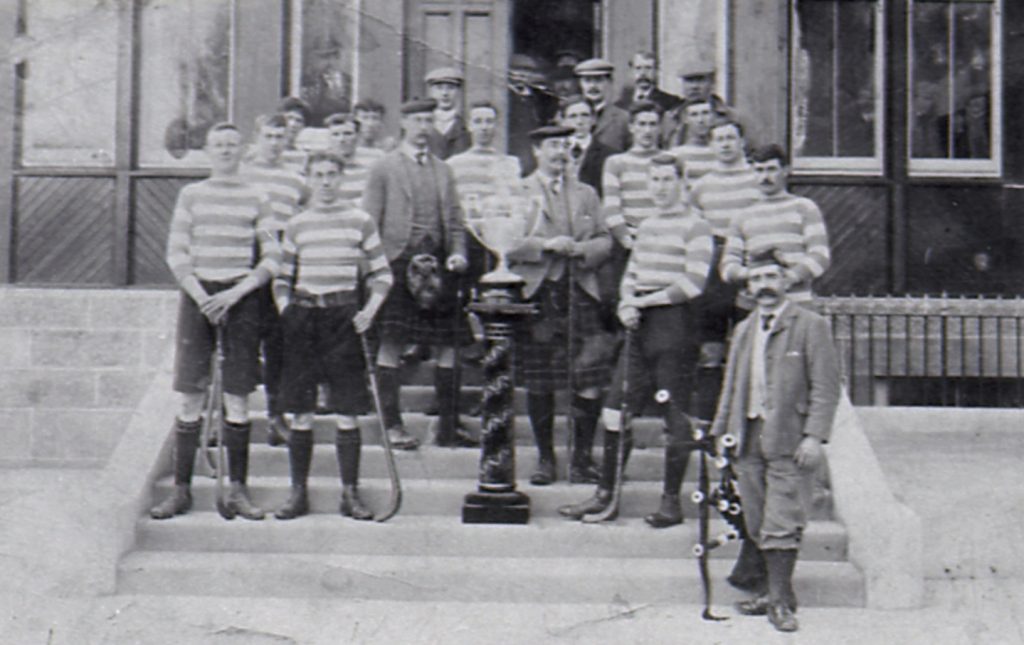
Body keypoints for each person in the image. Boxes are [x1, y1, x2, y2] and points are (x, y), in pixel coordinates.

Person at [559, 153, 712, 522]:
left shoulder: (697, 227)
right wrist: (628, 301)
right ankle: (605, 495)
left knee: (674, 414)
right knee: (614, 409)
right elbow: (632, 273)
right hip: (640, 324)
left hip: (675, 326)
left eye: (667, 180)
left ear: (681, 183)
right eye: (654, 180)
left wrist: (644, 300)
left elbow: (692, 283)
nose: (660, 188)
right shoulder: (646, 224)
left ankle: (671, 501)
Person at [151, 122, 281, 521]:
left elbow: (273, 258)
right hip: (198, 298)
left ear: (242, 150)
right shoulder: (192, 195)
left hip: (240, 298)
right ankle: (182, 491)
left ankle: (238, 490)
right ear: (208, 151)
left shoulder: (258, 196)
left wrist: (234, 294)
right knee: (190, 393)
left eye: (232, 144)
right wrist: (203, 295)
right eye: (218, 145)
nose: (225, 151)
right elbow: (176, 254)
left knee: (238, 394)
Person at [710, 248, 841, 633]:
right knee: (756, 516)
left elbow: (826, 386)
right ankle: (770, 591)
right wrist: (722, 432)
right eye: (755, 280)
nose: (763, 286)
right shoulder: (745, 329)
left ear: (786, 281)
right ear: (748, 287)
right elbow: (731, 386)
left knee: (782, 518)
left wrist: (815, 436)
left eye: (770, 277)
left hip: (789, 437)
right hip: (748, 437)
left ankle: (781, 602)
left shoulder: (810, 325)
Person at [272, 152, 392, 521]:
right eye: (318, 175)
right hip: (304, 319)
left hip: (344, 320)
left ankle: (350, 494)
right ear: (308, 178)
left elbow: (383, 275)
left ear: (342, 179)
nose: (325, 182)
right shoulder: (297, 224)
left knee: (347, 412)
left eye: (332, 175)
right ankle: (297, 494)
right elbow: (281, 278)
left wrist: (369, 312)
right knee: (302, 413)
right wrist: (287, 312)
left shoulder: (360, 221)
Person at [361, 98, 476, 451]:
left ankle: (448, 424)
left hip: (439, 266)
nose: (424, 127)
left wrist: (457, 253)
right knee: (391, 343)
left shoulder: (444, 169)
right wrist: (374, 271)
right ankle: (392, 424)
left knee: (448, 345)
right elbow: (369, 223)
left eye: (429, 120)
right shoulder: (384, 167)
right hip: (397, 263)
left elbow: (456, 221)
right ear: (405, 124)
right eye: (418, 120)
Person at [508, 125, 612, 485]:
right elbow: (507, 243)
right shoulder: (518, 192)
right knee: (541, 381)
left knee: (590, 376)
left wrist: (581, 249)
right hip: (540, 294)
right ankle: (545, 459)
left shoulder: (586, 193)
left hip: (580, 291)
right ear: (536, 150)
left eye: (565, 146)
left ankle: (581, 459)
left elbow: (605, 240)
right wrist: (548, 246)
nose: (560, 152)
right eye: (552, 145)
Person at [240, 114, 308, 447]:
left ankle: (275, 415)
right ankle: (228, 417)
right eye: (268, 136)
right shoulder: (243, 175)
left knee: (279, 341)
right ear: (257, 138)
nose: (275, 142)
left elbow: (305, 220)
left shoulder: (295, 179)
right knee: (240, 341)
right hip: (246, 259)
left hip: (283, 260)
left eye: (280, 137)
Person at [720, 144, 831, 308]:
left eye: (771, 169)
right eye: (759, 170)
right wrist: (752, 275)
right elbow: (727, 265)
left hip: (796, 303)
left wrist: (789, 277)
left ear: (785, 170)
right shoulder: (742, 215)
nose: (765, 176)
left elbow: (820, 256)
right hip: (754, 305)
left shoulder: (804, 207)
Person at [599, 100, 664, 314]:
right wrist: (629, 242)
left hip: (663, 245)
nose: (647, 130)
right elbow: (611, 209)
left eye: (653, 124)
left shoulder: (671, 160)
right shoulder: (616, 163)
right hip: (628, 246)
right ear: (632, 127)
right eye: (642, 124)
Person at [446, 100, 523, 280]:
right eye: (478, 121)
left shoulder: (510, 163)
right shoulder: (454, 164)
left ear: (496, 125)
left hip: (499, 241)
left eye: (489, 121)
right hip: (467, 242)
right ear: (470, 126)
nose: (484, 127)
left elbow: (516, 204)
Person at [662, 63, 742, 149]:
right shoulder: (671, 118)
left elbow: (752, 153)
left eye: (700, 80)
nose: (694, 86)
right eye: (689, 81)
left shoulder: (732, 117)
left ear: (712, 83)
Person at [558, 95, 615, 197]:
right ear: (563, 121)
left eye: (584, 115)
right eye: (573, 116)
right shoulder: (556, 152)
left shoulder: (610, 156)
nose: (579, 122)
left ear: (594, 119)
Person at [323, 112, 384, 203]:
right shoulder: (319, 167)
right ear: (328, 138)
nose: (341, 139)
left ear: (358, 136)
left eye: (347, 134)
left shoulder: (371, 167)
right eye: (335, 134)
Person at [573, 58, 631, 153]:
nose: (593, 86)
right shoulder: (569, 116)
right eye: (587, 81)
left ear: (610, 82)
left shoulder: (623, 119)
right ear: (580, 84)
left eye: (598, 80)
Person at [614, 51, 682, 114]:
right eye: (638, 68)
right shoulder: (619, 105)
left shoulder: (670, 102)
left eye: (648, 68)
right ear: (631, 72)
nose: (643, 73)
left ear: (656, 72)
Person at [425, 67, 471, 160]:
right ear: (431, 92)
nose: (445, 93)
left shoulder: (468, 126)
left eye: (451, 88)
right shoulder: (424, 124)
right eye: (439, 88)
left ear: (459, 92)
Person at [668, 100, 718, 183]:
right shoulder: (676, 155)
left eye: (705, 113)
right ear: (686, 119)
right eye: (694, 115)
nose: (700, 120)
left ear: (713, 116)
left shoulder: (722, 152)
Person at [277, 96, 313, 173]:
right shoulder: (259, 152)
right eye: (289, 118)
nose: (293, 124)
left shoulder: (305, 157)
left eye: (299, 121)